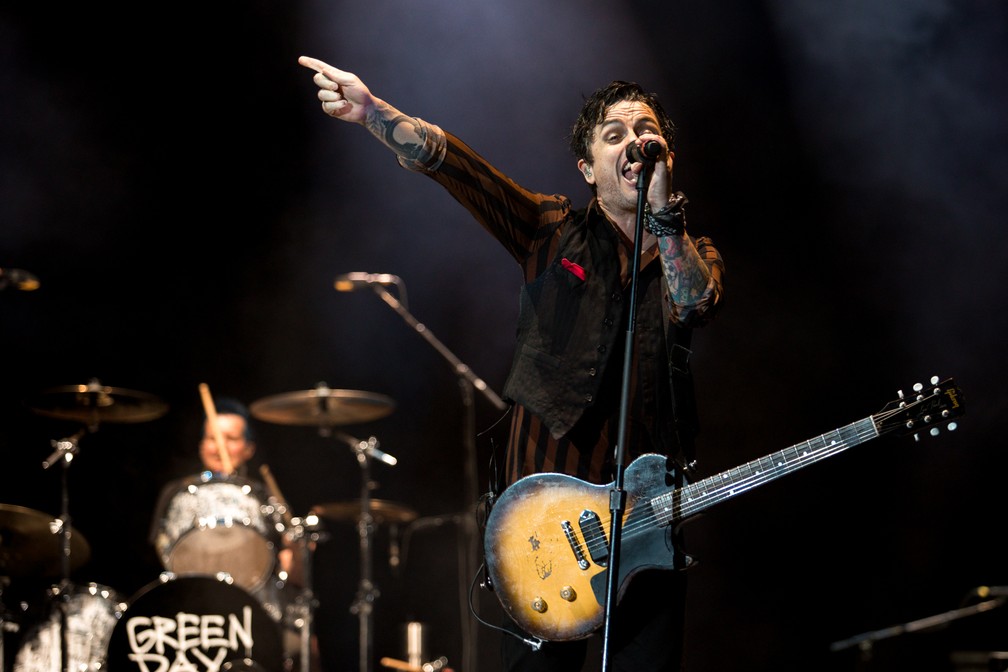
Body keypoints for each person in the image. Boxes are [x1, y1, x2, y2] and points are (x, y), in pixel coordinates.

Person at [298, 56, 725, 672]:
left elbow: (694, 302)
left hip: (646, 535)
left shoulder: (692, 251)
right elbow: (463, 170)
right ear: (587, 169)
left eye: (645, 132)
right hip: (545, 538)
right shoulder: (552, 230)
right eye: (614, 135)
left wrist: (664, 218)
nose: (634, 142)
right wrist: (374, 114)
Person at [149, 398, 315, 671]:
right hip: (194, 613)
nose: (219, 447)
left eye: (230, 438)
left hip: (256, 613)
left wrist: (298, 552)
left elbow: (293, 573)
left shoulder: (264, 494)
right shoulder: (177, 491)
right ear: (201, 444)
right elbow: (164, 552)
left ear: (248, 449)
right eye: (211, 438)